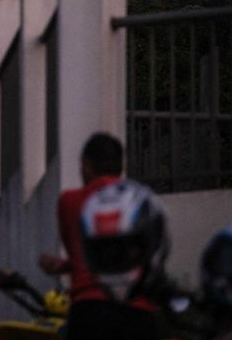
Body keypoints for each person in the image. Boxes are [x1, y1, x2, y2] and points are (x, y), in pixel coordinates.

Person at [38, 133, 158, 340]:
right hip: (139, 309)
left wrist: (64, 265)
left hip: (91, 308)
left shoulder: (70, 201)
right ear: (121, 168)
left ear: (85, 165)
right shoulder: (141, 201)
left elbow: (83, 254)